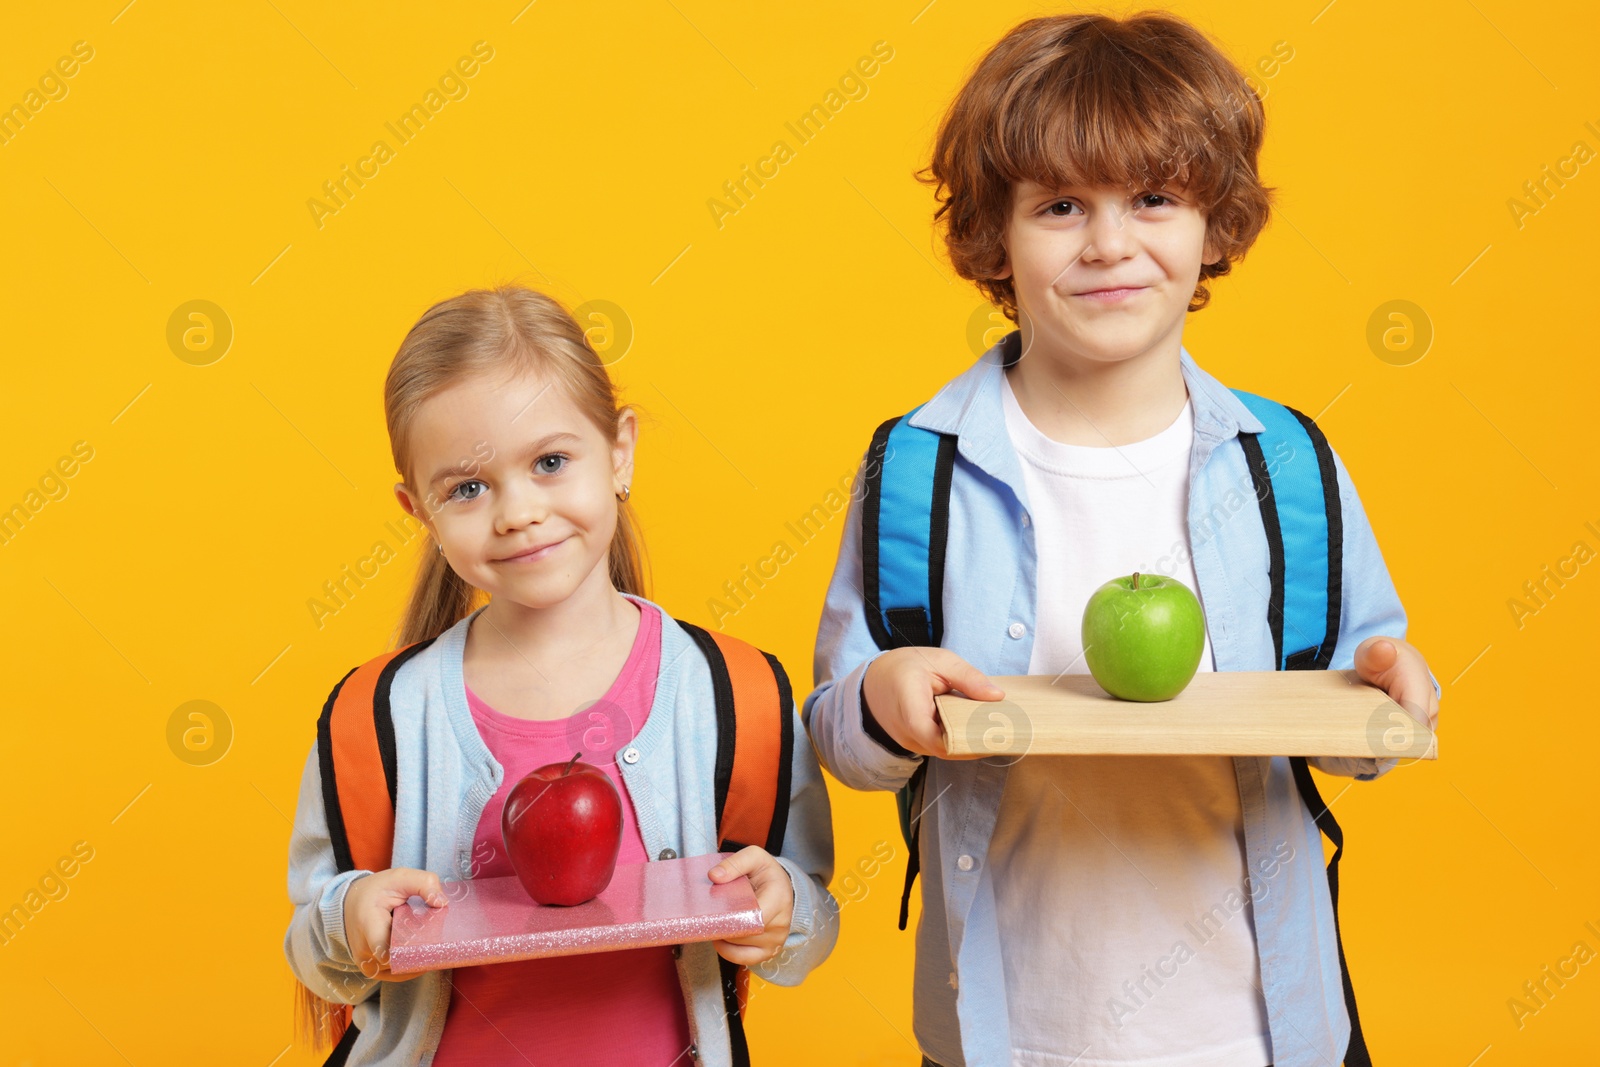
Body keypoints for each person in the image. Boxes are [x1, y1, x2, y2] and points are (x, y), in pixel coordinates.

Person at [803, 12, 1442, 1067]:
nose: (1108, 243)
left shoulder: (1286, 466)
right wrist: (876, 697)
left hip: (1260, 1024)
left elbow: (1350, 703)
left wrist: (1381, 692)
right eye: (1059, 205)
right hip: (1008, 1027)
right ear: (992, 235)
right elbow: (837, 728)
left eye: (1152, 198)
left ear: (1214, 221)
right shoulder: (916, 468)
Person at [283, 285, 837, 1067]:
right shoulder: (376, 718)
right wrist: (350, 920)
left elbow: (807, 914)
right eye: (468, 488)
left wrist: (782, 910)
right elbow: (312, 947)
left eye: (550, 461)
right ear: (419, 511)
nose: (517, 512)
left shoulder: (735, 695)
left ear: (620, 452)